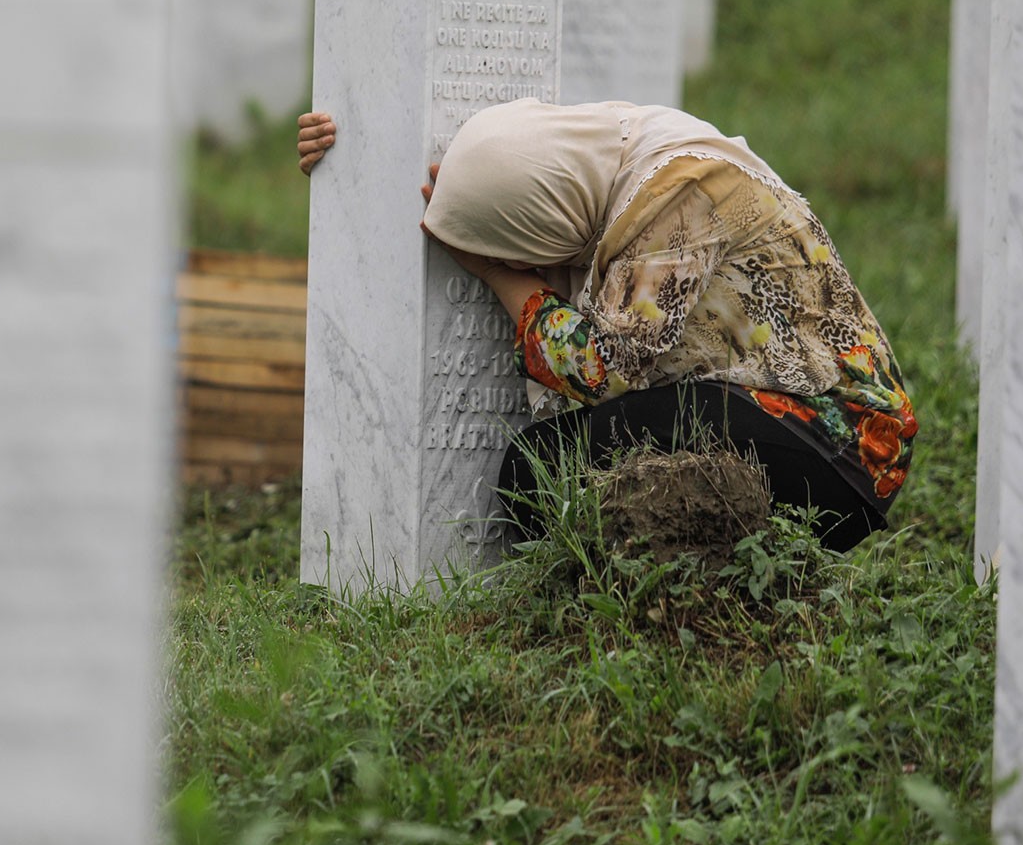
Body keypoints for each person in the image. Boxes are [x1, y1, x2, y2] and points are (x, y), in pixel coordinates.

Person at [297, 99, 915, 551]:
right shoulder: (622, 162)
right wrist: (353, 150)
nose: (523, 257)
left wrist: (500, 276)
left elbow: (606, 367)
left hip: (842, 447)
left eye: (517, 239)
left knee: (538, 473)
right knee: (552, 463)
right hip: (788, 424)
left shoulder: (681, 192)